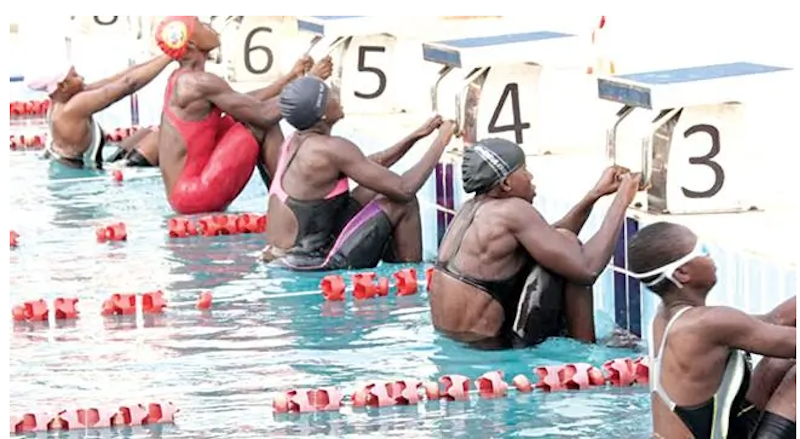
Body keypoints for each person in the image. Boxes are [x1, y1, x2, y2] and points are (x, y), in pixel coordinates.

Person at [428, 138, 644, 349]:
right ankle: (587, 352)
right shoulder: (512, 211)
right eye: (524, 170)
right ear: (506, 183)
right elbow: (587, 269)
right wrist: (622, 200)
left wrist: (594, 195)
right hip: (491, 349)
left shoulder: (470, 210)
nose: (531, 176)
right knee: (571, 252)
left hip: (461, 346)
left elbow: (548, 239)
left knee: (563, 245)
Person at [260, 75, 458, 271]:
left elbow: (365, 166)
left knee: (372, 190)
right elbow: (404, 189)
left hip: (284, 257)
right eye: (330, 96)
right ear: (321, 115)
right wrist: (442, 140)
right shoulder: (331, 149)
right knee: (401, 202)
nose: (337, 97)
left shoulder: (295, 142)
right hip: (314, 263)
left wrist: (414, 137)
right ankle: (408, 280)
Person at [627, 222, 796, 439]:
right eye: (703, 251)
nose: (711, 256)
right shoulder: (709, 323)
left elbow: (774, 321)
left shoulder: (665, 317)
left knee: (778, 363)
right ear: (681, 273)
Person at [154, 16, 333, 215]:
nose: (210, 25)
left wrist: (291, 78)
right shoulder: (198, 83)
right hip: (195, 195)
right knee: (262, 124)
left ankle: (283, 198)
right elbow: (262, 114)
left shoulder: (183, 78)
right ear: (193, 43)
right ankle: (291, 201)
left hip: (183, 194)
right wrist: (310, 83)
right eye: (201, 24)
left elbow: (243, 102)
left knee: (249, 116)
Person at [27, 55, 171, 169]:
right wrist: (169, 57)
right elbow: (128, 84)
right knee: (159, 137)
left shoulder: (63, 99)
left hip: (90, 165)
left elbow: (119, 78)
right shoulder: (73, 108)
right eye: (75, 75)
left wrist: (166, 54)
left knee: (148, 131)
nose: (82, 77)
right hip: (86, 177)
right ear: (63, 85)